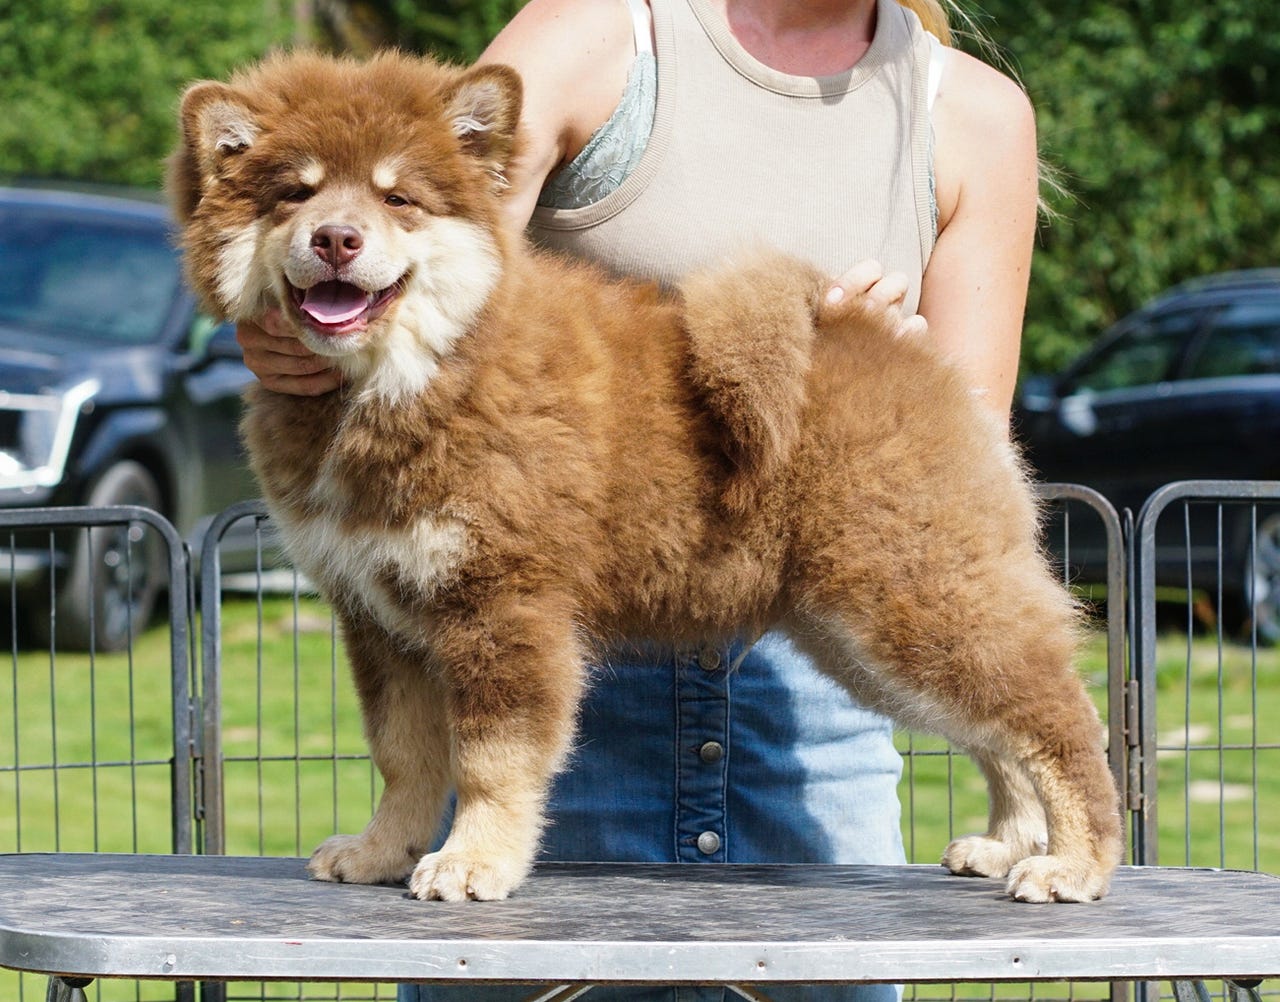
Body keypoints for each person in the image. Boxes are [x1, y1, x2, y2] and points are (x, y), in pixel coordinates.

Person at [238, 1, 1039, 1000]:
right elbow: (422, 234)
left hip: (802, 703)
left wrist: (875, 373)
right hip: (555, 700)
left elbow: (968, 437)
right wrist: (295, 329)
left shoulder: (971, 113)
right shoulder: (595, 34)